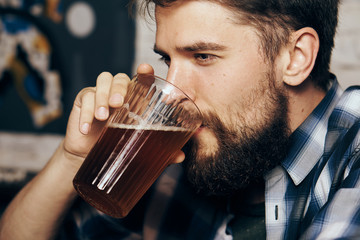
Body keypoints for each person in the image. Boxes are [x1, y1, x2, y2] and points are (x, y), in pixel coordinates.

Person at [1, 0, 359, 239]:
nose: (173, 89)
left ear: (295, 58)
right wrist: (73, 158)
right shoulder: (178, 153)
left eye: (202, 56)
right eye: (167, 60)